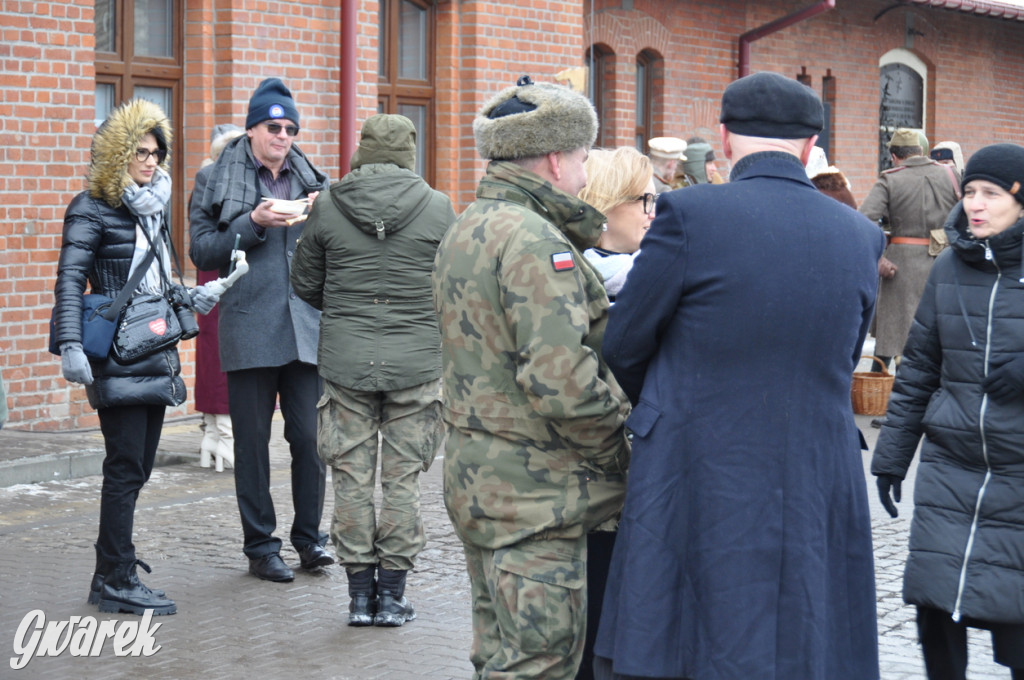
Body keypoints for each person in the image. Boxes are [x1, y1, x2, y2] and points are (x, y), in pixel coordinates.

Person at [594, 72, 884, 680]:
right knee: (803, 627)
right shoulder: (860, 233)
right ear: (810, 146)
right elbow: (842, 351)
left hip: (694, 455)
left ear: (724, 139)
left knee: (680, 632)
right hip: (815, 459)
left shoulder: (688, 212)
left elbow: (624, 341)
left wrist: (674, 402)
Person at [433, 75, 631, 680]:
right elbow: (562, 382)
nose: (584, 169)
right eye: (581, 156)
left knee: (498, 654)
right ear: (553, 159)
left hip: (482, 479)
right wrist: (622, 451)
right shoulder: (537, 241)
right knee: (540, 663)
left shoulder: (469, 224)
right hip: (538, 495)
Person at [53, 98, 223, 616]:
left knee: (138, 467)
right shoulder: (90, 207)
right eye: (139, 152)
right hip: (114, 354)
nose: (150, 163)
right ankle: (115, 577)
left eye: (156, 153)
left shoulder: (153, 209)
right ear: (116, 155)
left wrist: (189, 296)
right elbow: (68, 280)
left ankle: (112, 571)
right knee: (125, 467)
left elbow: (159, 283)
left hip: (152, 349)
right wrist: (70, 344)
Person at [290, 113, 455, 627]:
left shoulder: (328, 205)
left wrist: (343, 310)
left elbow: (304, 283)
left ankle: (359, 598)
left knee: (351, 478)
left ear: (361, 148)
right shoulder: (438, 207)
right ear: (410, 150)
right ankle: (393, 597)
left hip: (345, 361)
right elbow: (453, 285)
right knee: (403, 482)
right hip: (418, 362)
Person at [872, 143, 1024, 680]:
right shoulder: (950, 268)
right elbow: (918, 368)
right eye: (970, 193)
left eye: (991, 195)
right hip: (950, 466)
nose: (975, 205)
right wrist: (891, 456)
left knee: (1016, 626)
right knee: (936, 606)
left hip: (1018, 474)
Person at [189, 77, 333, 583]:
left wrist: (320, 220)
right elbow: (202, 250)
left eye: (291, 128)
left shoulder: (313, 180)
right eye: (274, 126)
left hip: (304, 328)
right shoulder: (215, 179)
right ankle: (261, 547)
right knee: (251, 445)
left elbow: (336, 247)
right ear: (252, 129)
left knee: (310, 440)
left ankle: (311, 540)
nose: (284, 135)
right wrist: (252, 222)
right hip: (249, 327)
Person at [573, 144, 654, 680]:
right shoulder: (566, 279)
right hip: (584, 493)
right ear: (606, 206)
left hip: (625, 490)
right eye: (645, 200)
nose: (654, 213)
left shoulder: (649, 279)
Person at [860, 128, 961, 387]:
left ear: (894, 156)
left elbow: (862, 221)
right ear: (922, 151)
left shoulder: (890, 179)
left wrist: (878, 259)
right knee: (939, 333)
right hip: (945, 261)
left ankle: (895, 398)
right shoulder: (951, 175)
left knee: (899, 337)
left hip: (900, 266)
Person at [192, 123, 245, 473]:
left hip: (208, 277)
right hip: (231, 275)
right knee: (230, 355)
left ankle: (213, 435)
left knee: (211, 354)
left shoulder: (203, 179)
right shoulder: (229, 179)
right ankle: (224, 440)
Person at [578, 146, 656, 300]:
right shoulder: (561, 273)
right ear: (603, 204)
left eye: (654, 200)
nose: (654, 214)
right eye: (644, 201)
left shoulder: (667, 272)